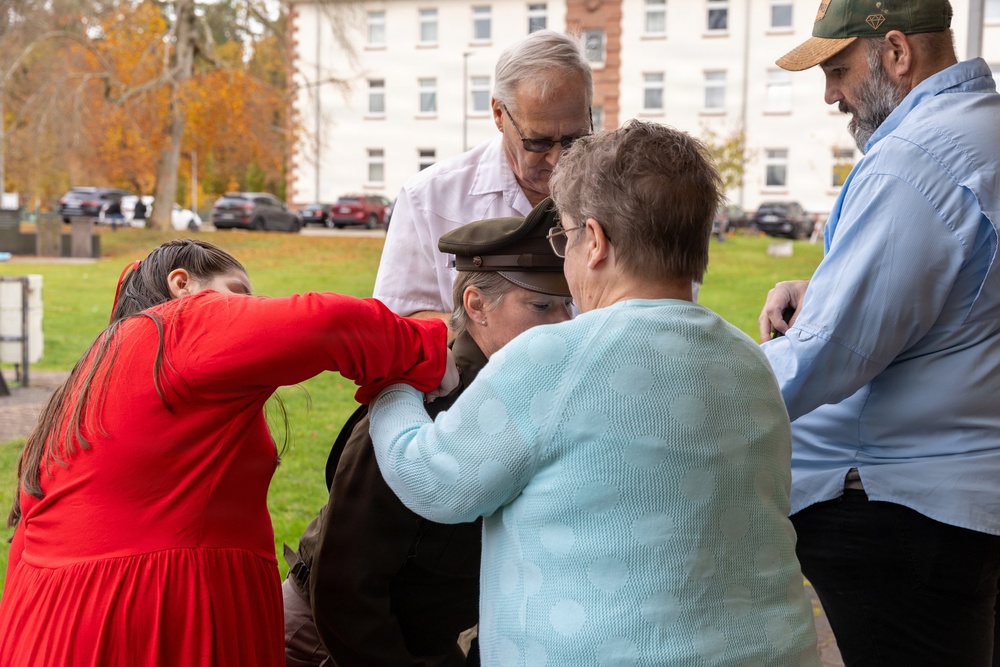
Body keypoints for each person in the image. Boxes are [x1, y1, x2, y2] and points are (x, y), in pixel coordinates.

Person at [369, 120, 821, 665]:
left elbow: (434, 481)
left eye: (563, 237)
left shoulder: (555, 357)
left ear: (596, 241)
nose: (564, 256)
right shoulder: (749, 361)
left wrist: (390, 388)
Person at [0, 239, 452, 667]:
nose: (250, 309)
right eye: (238, 293)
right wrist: (433, 351)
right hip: (148, 619)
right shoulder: (175, 328)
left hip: (48, 623)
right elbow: (328, 323)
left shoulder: (89, 375)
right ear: (183, 285)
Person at [757, 1, 1000, 664]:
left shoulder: (915, 161)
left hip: (897, 508)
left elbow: (826, 358)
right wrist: (827, 287)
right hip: (958, 500)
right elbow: (966, 292)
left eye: (837, 69)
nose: (831, 94)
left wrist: (686, 375)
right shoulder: (985, 130)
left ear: (896, 52)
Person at [282, 199, 574, 667]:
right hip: (331, 642)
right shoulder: (421, 401)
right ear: (476, 305)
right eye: (541, 305)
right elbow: (344, 584)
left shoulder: (530, 392)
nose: (564, 324)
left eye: (567, 305)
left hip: (430, 640)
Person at [372, 29, 592, 322]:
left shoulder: (624, 191)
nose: (557, 160)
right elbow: (395, 325)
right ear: (499, 114)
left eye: (573, 140)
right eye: (537, 142)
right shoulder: (428, 198)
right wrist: (489, 332)